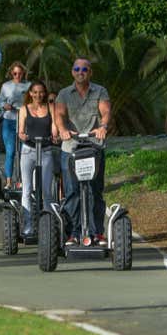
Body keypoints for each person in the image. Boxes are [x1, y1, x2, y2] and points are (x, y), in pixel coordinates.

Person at [55, 58, 111, 246]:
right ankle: (73, 233)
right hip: (70, 148)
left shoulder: (100, 91)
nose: (81, 72)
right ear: (72, 72)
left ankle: (97, 233)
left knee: (95, 190)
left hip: (94, 147)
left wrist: (103, 126)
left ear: (90, 72)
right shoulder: (64, 94)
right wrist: (62, 130)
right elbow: (59, 115)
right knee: (72, 192)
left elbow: (105, 112)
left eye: (84, 69)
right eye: (77, 69)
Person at [18, 80, 56, 238]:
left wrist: (55, 135)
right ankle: (28, 225)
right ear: (30, 94)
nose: (38, 95)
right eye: (35, 92)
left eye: (41, 92)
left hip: (46, 150)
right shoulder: (24, 109)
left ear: (44, 93)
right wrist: (22, 135)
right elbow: (20, 131)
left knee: (47, 190)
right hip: (29, 150)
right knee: (26, 189)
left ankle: (48, 224)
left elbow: (54, 126)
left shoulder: (50, 108)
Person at [0, 61, 30, 188]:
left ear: (23, 74)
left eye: (20, 73)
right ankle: (9, 181)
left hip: (24, 122)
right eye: (15, 73)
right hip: (9, 121)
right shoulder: (6, 86)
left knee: (23, 153)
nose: (17, 76)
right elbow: (0, 101)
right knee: (10, 152)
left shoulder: (28, 86)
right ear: (12, 73)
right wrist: (4, 105)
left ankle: (22, 181)